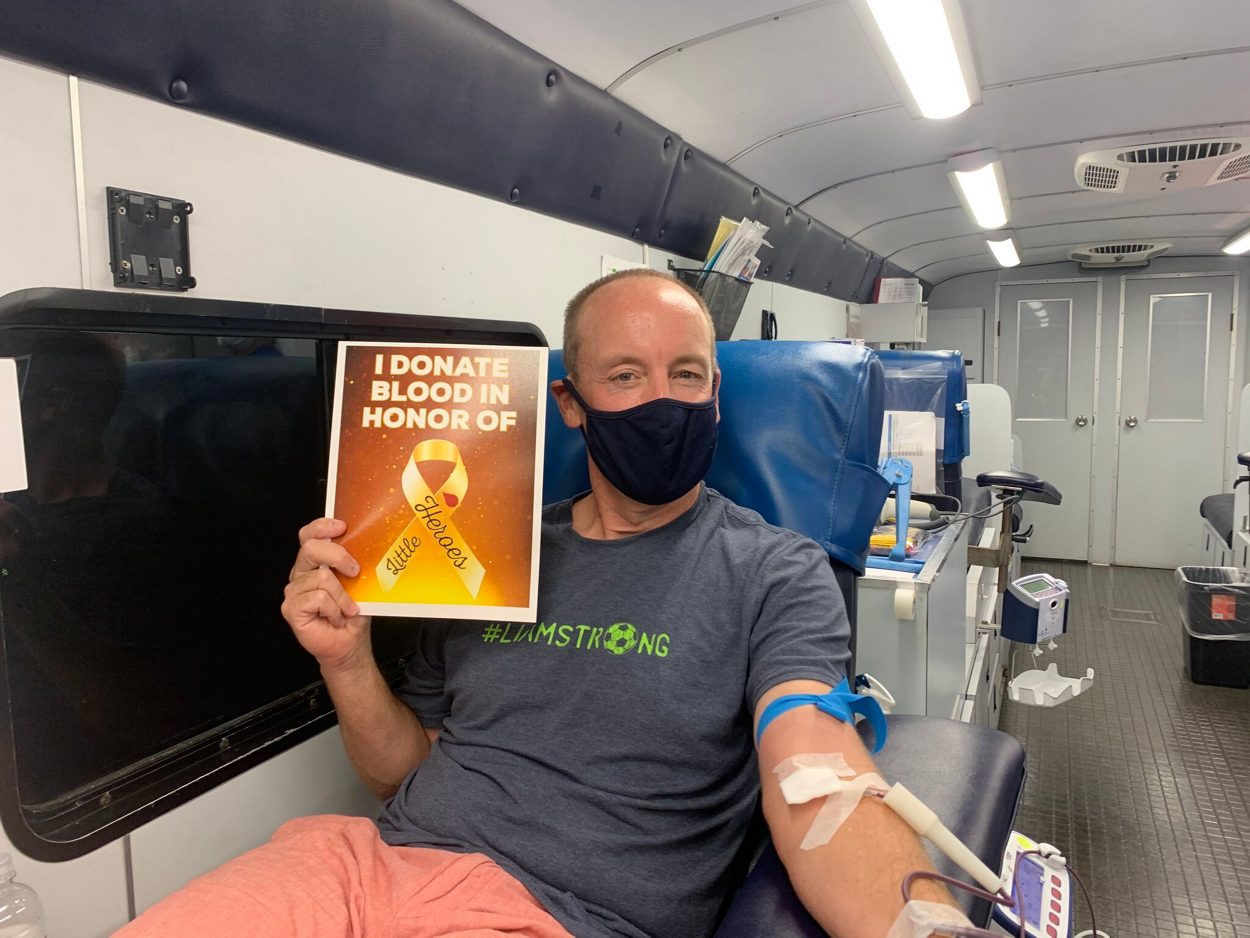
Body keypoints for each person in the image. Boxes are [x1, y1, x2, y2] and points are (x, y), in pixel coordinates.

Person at [118, 269, 969, 937]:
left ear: (715, 398)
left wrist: (929, 930)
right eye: (626, 375)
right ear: (570, 402)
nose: (662, 400)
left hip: (552, 916)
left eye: (686, 374)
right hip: (361, 864)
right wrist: (344, 659)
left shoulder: (773, 571)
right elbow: (397, 775)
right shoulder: (490, 554)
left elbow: (817, 773)